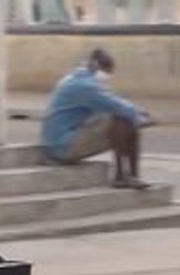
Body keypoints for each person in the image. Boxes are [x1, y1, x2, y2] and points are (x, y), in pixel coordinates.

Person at [41, 48, 157, 189]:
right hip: (62, 146)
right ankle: (122, 176)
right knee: (122, 119)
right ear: (100, 68)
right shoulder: (85, 85)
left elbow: (113, 100)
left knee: (124, 118)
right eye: (108, 71)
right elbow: (114, 104)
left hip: (62, 140)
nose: (108, 76)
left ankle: (131, 176)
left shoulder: (78, 78)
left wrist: (139, 113)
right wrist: (142, 118)